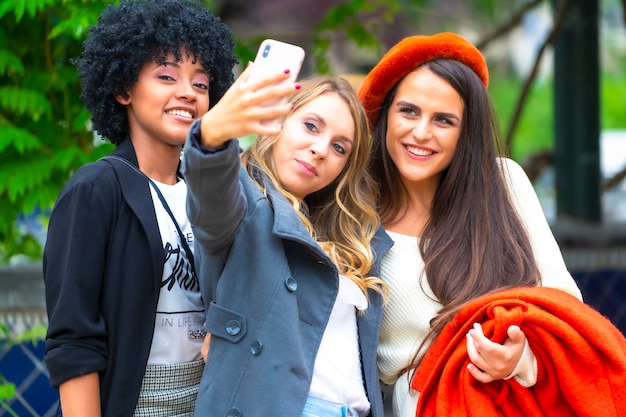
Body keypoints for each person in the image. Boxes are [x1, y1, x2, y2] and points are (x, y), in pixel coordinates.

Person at [356, 32, 583, 416]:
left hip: (508, 403)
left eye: (444, 120)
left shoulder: (503, 183)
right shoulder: (352, 211)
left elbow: (567, 311)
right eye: (409, 111)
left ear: (466, 133)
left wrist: (520, 359)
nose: (421, 132)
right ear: (386, 112)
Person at [42, 1, 238, 416]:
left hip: (207, 403)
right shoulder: (96, 189)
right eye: (166, 75)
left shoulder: (210, 194)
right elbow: (74, 341)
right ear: (123, 89)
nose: (187, 92)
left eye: (201, 84)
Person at [181, 74, 389, 417]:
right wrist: (212, 135)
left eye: (340, 147)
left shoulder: (349, 238)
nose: (320, 149)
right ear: (279, 121)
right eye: (311, 126)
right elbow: (211, 188)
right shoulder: (244, 205)